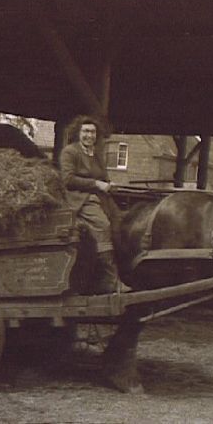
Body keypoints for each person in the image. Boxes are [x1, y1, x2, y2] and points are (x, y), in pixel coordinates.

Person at [60, 115, 129, 294]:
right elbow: (68, 179)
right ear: (78, 133)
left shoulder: (97, 155)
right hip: (80, 198)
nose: (89, 135)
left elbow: (103, 177)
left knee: (120, 222)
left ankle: (120, 274)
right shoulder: (70, 152)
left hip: (99, 197)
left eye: (92, 132)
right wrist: (96, 184)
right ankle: (109, 281)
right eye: (85, 131)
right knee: (103, 226)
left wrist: (109, 184)